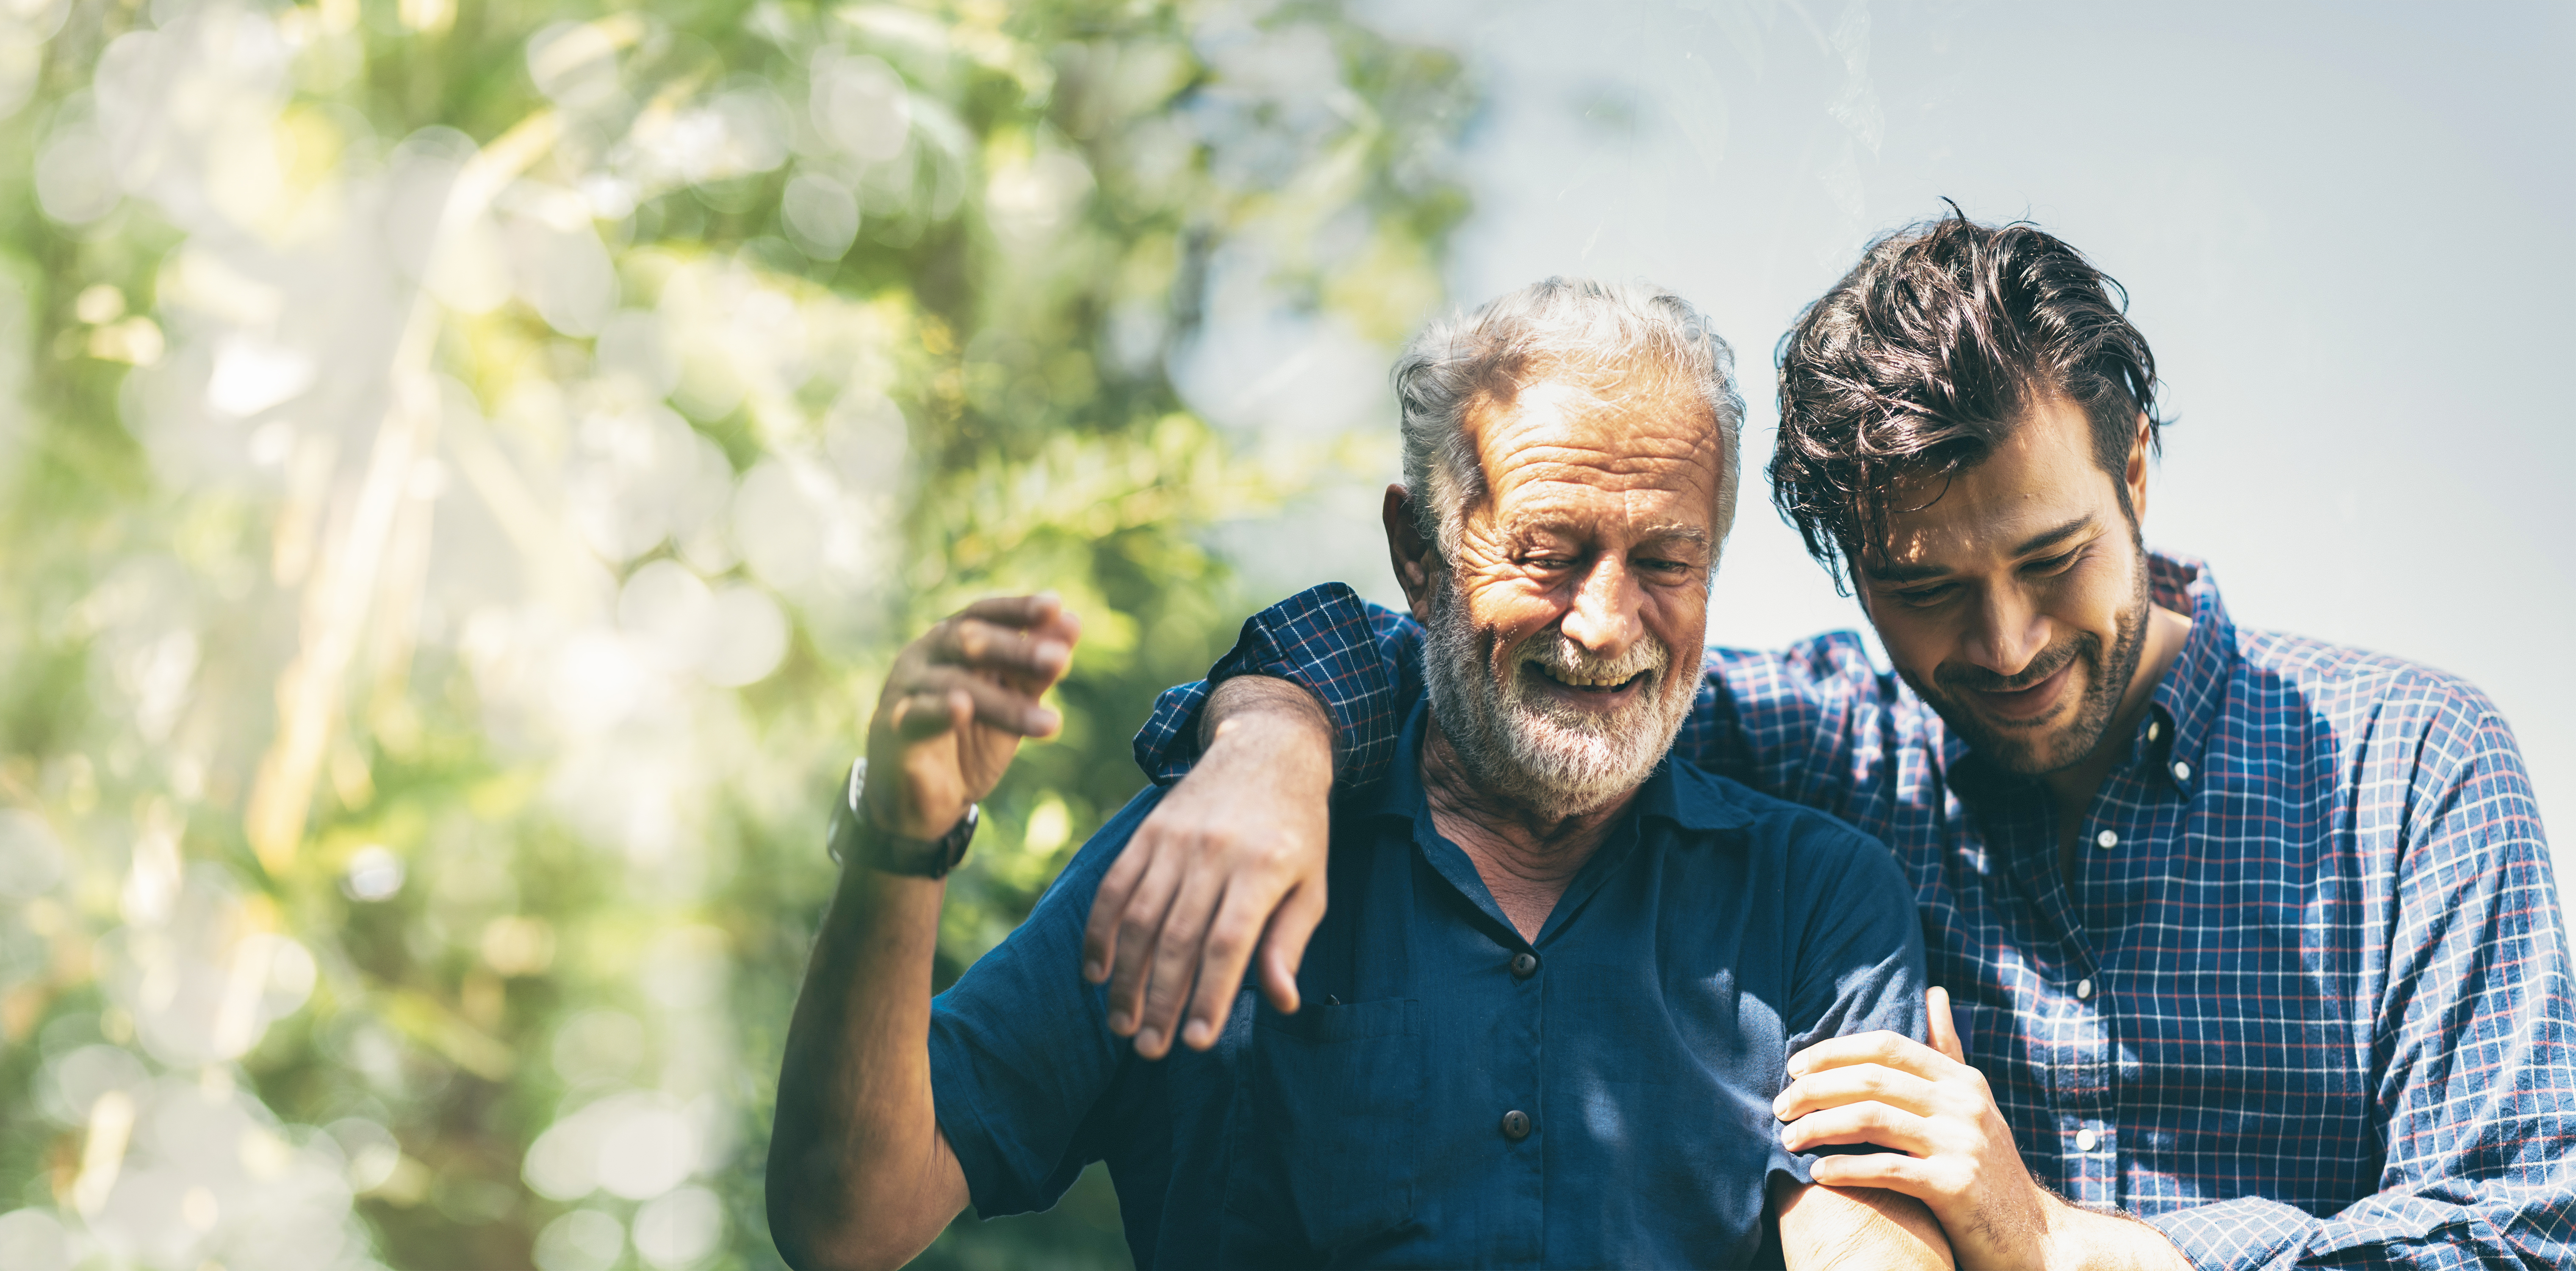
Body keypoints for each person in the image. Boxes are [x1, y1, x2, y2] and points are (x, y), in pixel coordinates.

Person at [1089, 211, 2576, 1269]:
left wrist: (2060, 1247)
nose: (2001, 646)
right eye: (1925, 590)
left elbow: (2522, 1233)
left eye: (2053, 560)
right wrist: (1269, 738)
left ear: (2136, 469)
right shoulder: (1808, 752)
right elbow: (1481, 657)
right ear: (1842, 565)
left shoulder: (2414, 771)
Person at [765, 279, 1960, 1270]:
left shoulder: (1819, 901)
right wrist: (903, 837)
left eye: (1666, 559)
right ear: (1417, 553)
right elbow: (846, 1219)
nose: (1605, 623)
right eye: (1547, 554)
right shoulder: (1210, 848)